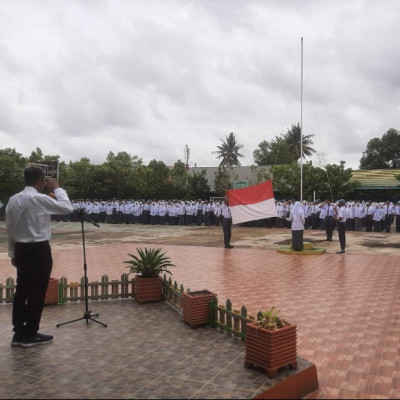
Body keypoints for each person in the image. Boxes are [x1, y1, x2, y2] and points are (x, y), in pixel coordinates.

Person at [6, 166, 73, 348]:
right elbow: (67, 208)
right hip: (38, 250)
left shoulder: (12, 200)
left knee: (22, 291)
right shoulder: (39, 198)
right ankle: (31, 333)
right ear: (40, 181)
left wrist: (12, 253)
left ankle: (19, 332)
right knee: (37, 292)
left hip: (21, 249)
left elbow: (10, 229)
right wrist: (58, 188)